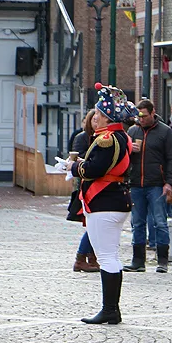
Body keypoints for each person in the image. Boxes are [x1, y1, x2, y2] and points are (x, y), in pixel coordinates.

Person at [71, 84, 137, 325]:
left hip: (105, 201)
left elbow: (94, 169)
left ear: (107, 118)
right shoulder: (122, 136)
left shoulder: (107, 139)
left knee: (107, 256)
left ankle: (110, 309)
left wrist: (74, 167)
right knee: (110, 255)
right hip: (116, 199)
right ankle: (111, 309)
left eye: (97, 115)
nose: (93, 119)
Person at [123, 99, 172, 274]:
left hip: (157, 184)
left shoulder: (165, 132)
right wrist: (129, 150)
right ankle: (138, 260)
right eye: (139, 116)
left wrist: (169, 182)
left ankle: (162, 260)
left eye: (145, 116)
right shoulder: (133, 131)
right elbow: (124, 159)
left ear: (152, 112)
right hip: (137, 184)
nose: (141, 119)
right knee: (137, 223)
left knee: (160, 222)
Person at [70, 110, 100, 273]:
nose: (97, 123)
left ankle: (91, 257)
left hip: (99, 184)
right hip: (87, 185)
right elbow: (75, 159)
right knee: (94, 224)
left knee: (96, 224)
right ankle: (81, 258)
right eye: (94, 120)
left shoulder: (104, 138)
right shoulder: (82, 138)